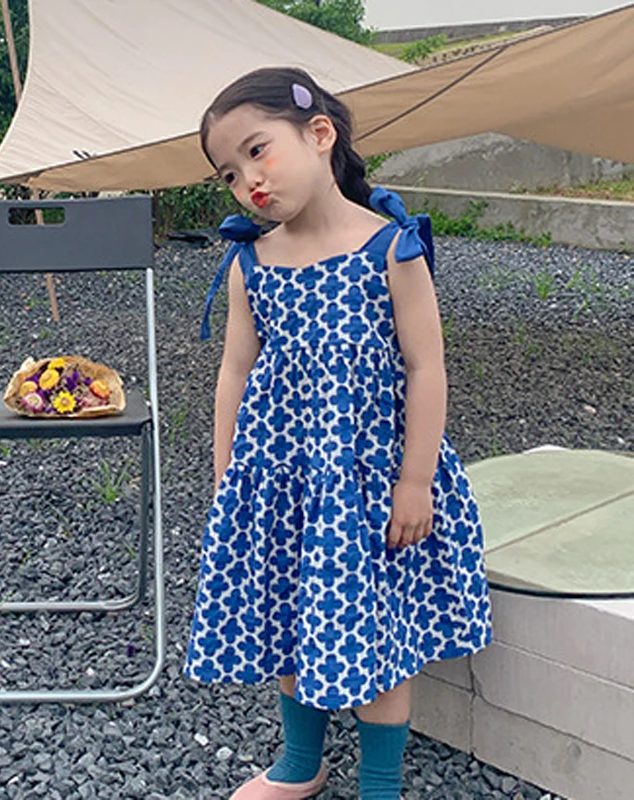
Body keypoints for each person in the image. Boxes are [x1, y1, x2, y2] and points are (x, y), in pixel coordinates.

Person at [184, 67, 492, 800]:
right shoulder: (252, 262)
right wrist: (229, 473)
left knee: (376, 635)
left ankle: (380, 783)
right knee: (289, 616)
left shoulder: (391, 248)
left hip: (368, 485)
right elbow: (234, 370)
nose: (248, 182)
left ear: (319, 134)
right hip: (283, 482)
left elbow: (426, 367)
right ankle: (301, 762)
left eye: (257, 151)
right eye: (230, 174)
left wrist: (415, 480)